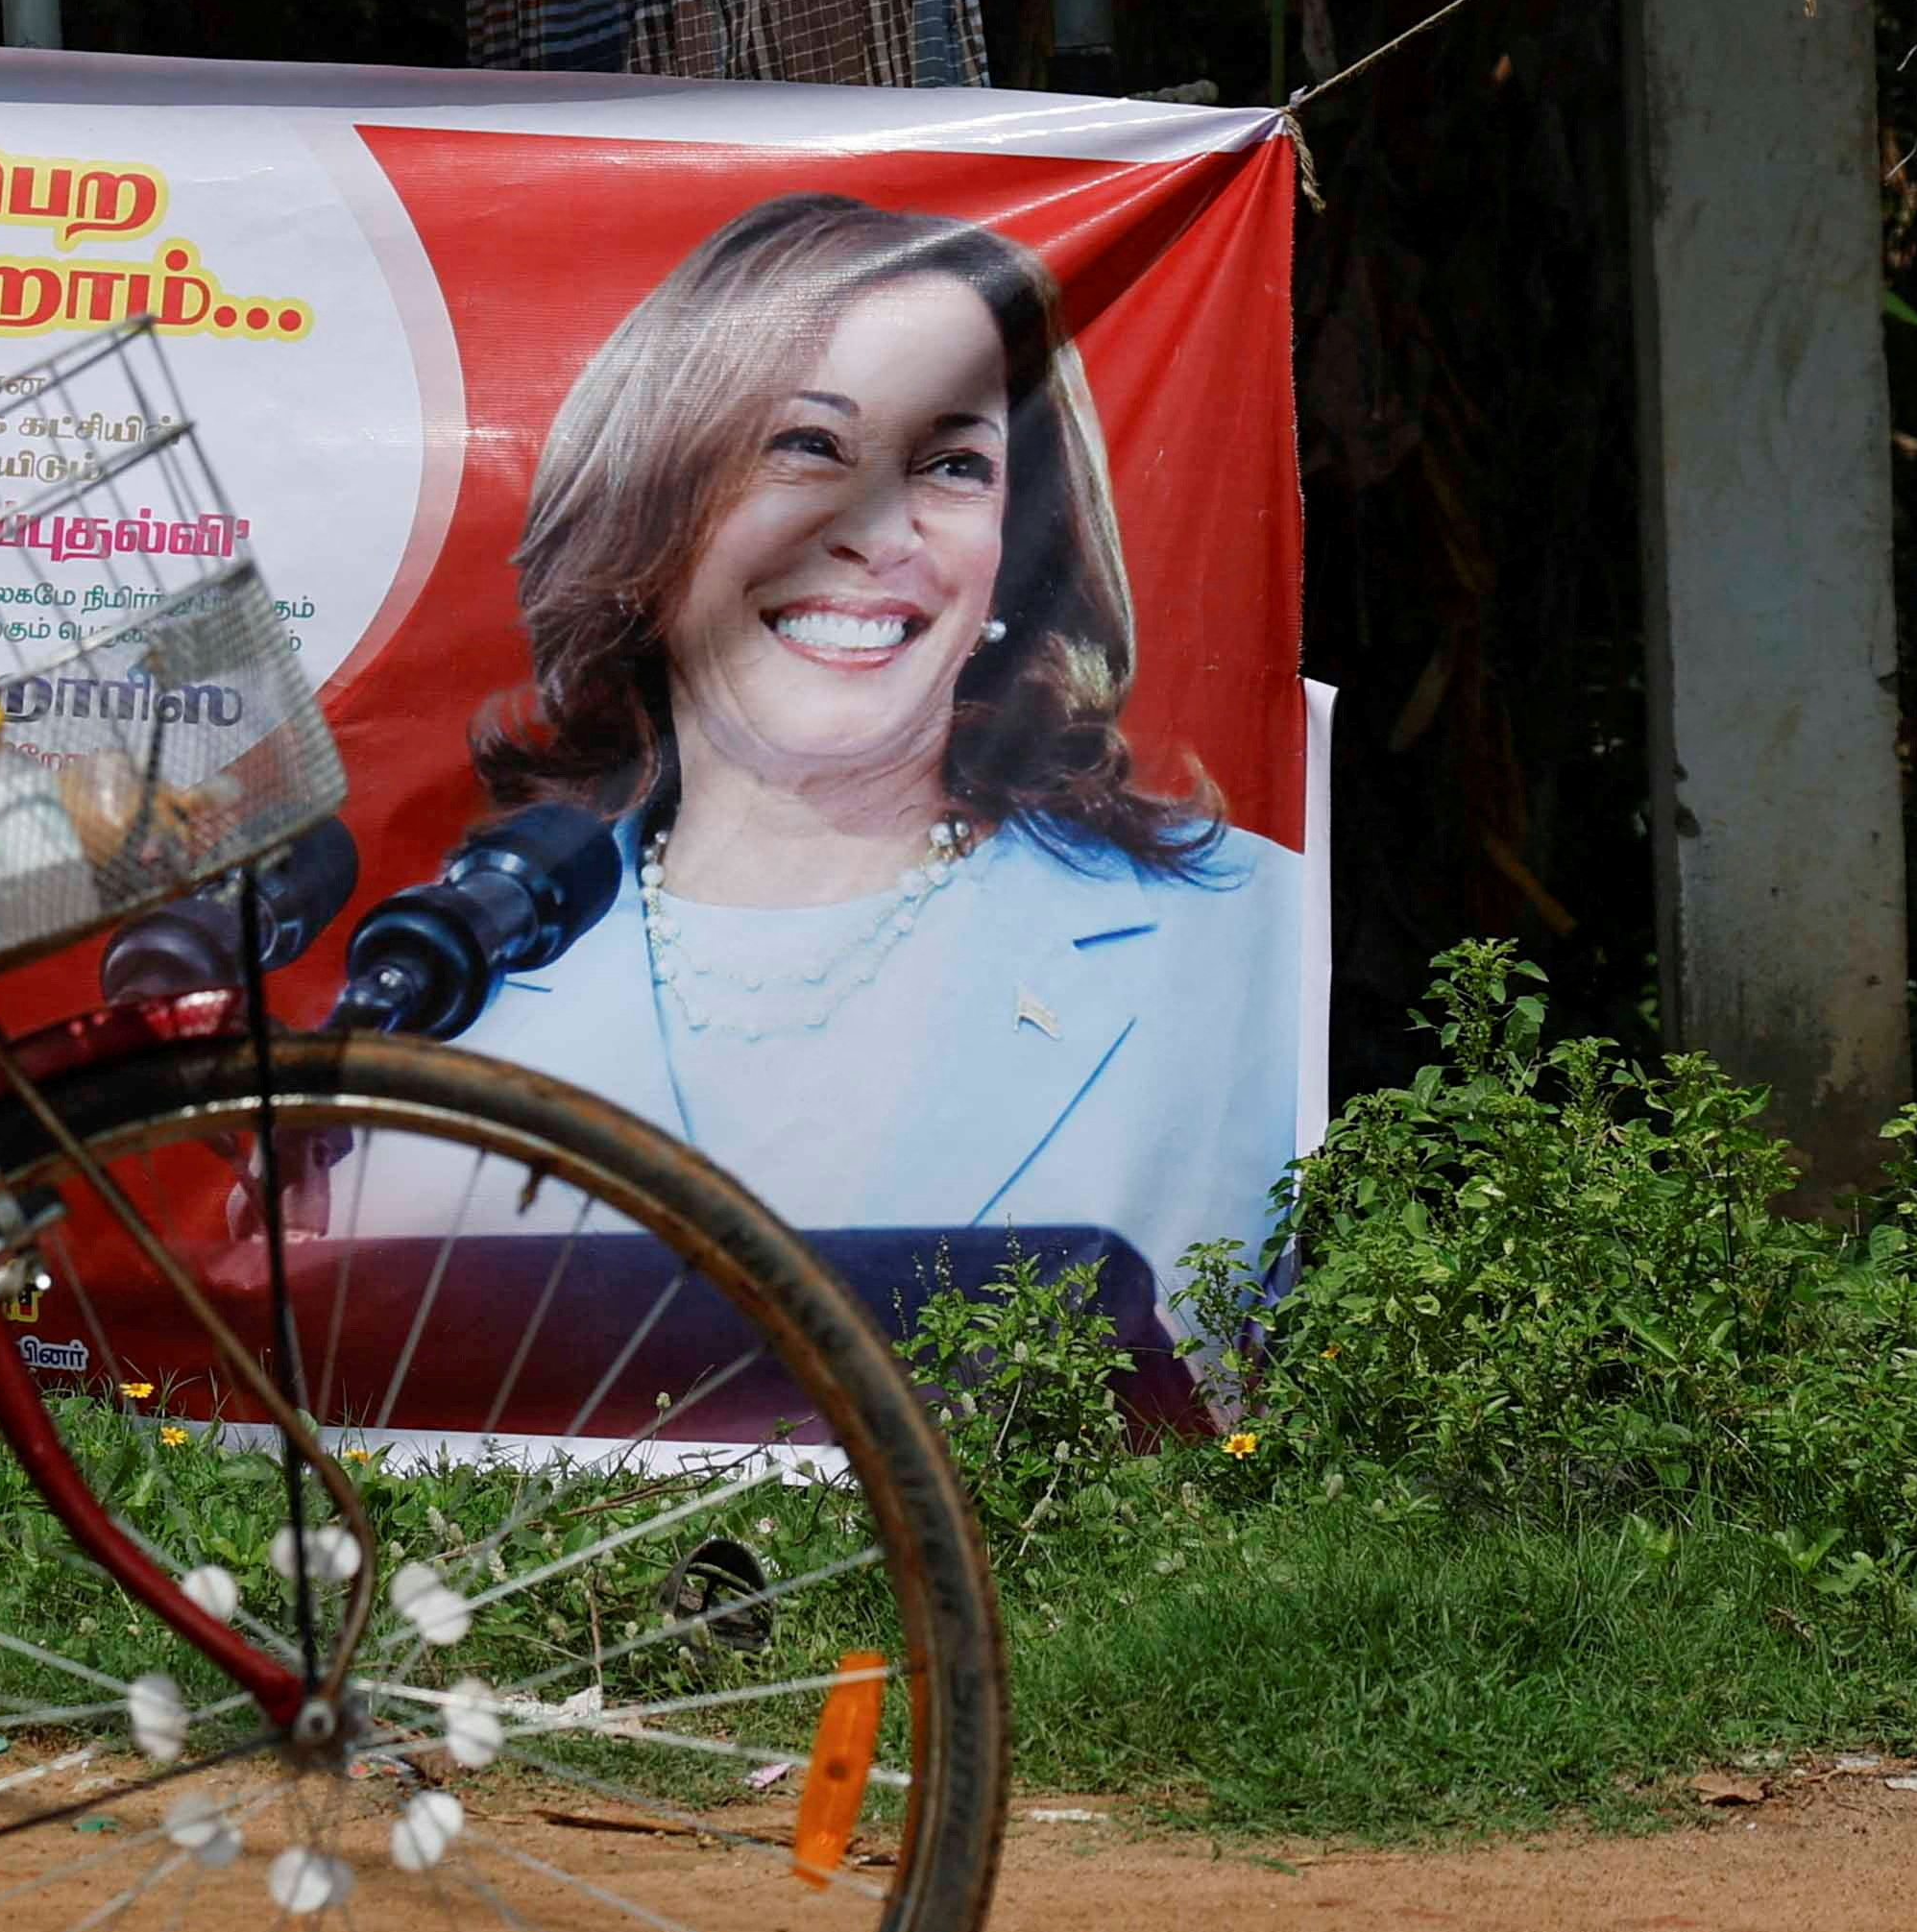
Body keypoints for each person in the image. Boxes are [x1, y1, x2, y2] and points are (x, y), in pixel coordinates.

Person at [423, 192, 1304, 1334]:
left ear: (1013, 543)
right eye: (805, 445)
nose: (877, 531)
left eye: (950, 464)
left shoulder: (1248, 931)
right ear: (650, 510)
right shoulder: (448, 976)